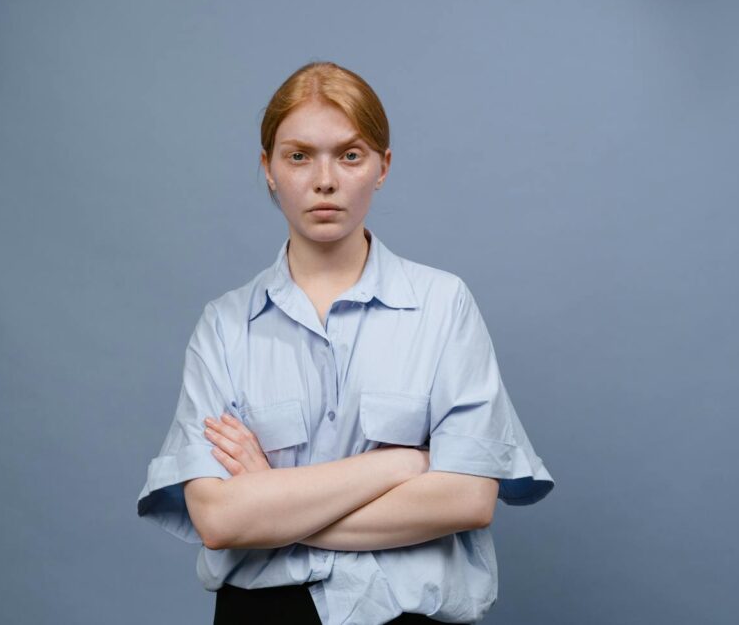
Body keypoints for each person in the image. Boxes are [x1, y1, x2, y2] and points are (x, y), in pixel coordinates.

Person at [136, 61, 555, 625]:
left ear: (383, 167)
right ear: (268, 168)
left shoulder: (442, 305)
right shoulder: (225, 326)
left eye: (350, 155)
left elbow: (467, 500)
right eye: (299, 155)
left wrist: (273, 502)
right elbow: (219, 519)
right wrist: (403, 466)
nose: (325, 180)